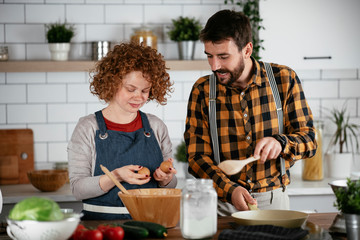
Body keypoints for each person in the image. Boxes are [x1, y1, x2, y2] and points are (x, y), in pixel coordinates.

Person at [184, 9, 317, 216]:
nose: (214, 65)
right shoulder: (202, 90)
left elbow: (309, 140)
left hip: (274, 201)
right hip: (223, 204)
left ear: (247, 50)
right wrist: (230, 189)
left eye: (223, 56)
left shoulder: (284, 79)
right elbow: (197, 156)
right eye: (209, 56)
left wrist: (280, 143)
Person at [68, 42, 177, 220]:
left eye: (145, 91)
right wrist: (116, 176)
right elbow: (78, 189)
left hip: (150, 221)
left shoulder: (155, 126)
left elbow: (171, 184)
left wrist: (164, 178)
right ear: (112, 83)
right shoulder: (88, 127)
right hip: (100, 226)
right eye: (131, 89)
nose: (138, 97)